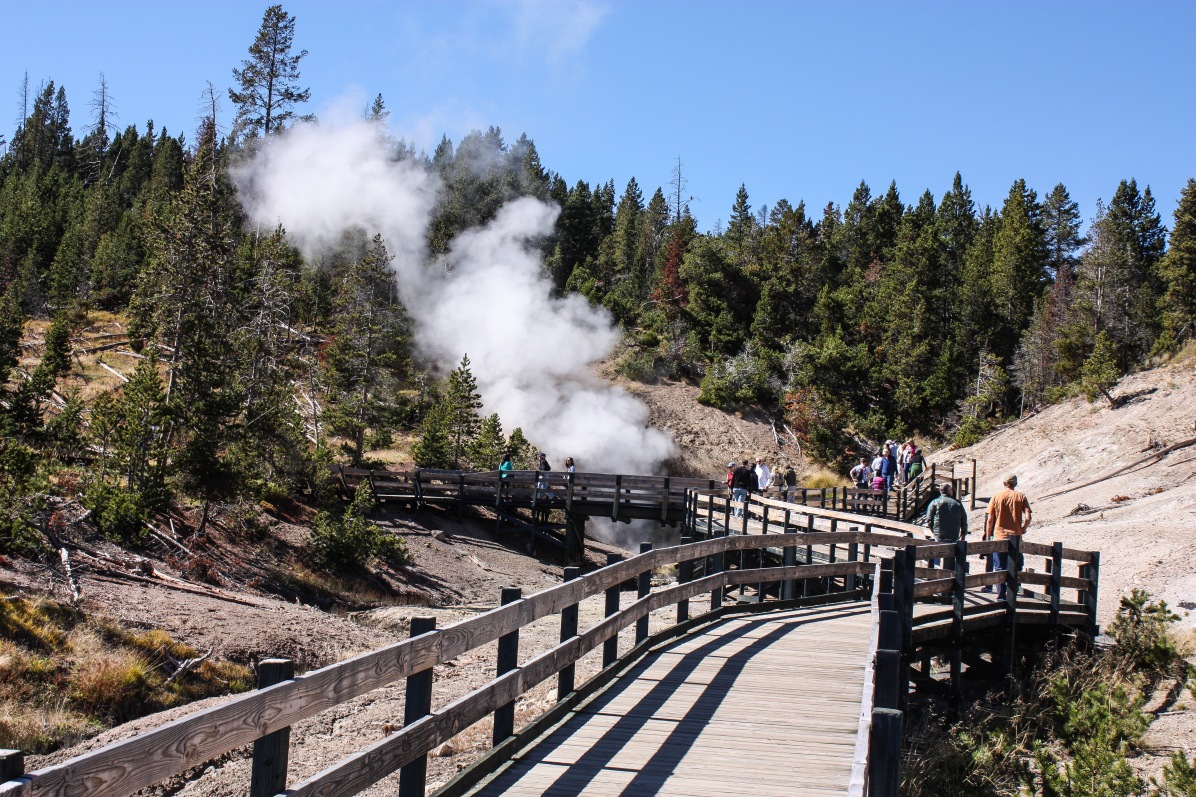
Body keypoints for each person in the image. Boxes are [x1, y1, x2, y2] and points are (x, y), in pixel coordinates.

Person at [984, 475, 1032, 598]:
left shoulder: (996, 496)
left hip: (999, 536)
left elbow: (990, 520)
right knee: (1015, 566)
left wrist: (988, 537)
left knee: (999, 567)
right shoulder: (1021, 496)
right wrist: (1022, 529)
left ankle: (1001, 595)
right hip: (1016, 537)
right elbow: (1028, 517)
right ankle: (1012, 594)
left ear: (1004, 483)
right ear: (1015, 483)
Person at [926, 482, 967, 571]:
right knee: (950, 554)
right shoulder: (957, 503)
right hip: (953, 534)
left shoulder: (934, 502)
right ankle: (949, 573)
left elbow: (929, 519)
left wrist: (934, 530)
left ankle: (934, 573)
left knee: (936, 553)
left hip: (939, 534)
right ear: (950, 491)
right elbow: (964, 519)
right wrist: (963, 533)